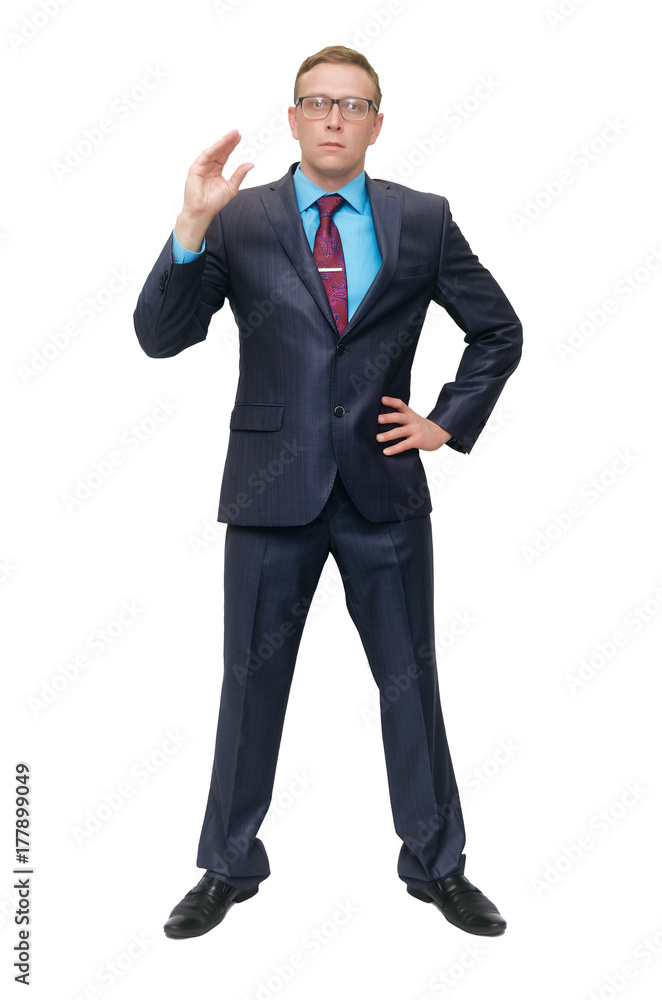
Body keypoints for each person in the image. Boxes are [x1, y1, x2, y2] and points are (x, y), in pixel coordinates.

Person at [133, 44, 523, 940]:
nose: (336, 117)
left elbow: (498, 330)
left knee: (409, 682)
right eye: (319, 102)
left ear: (377, 123)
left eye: (355, 105)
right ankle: (227, 868)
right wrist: (189, 228)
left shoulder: (422, 219)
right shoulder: (239, 219)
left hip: (385, 491)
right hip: (272, 495)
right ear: (295, 118)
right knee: (250, 684)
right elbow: (161, 336)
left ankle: (437, 866)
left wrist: (446, 421)